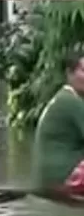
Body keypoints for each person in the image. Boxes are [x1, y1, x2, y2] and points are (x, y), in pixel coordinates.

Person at [32, 51, 84, 198]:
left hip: (50, 177)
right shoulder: (71, 102)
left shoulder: (66, 97)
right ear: (69, 73)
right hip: (61, 176)